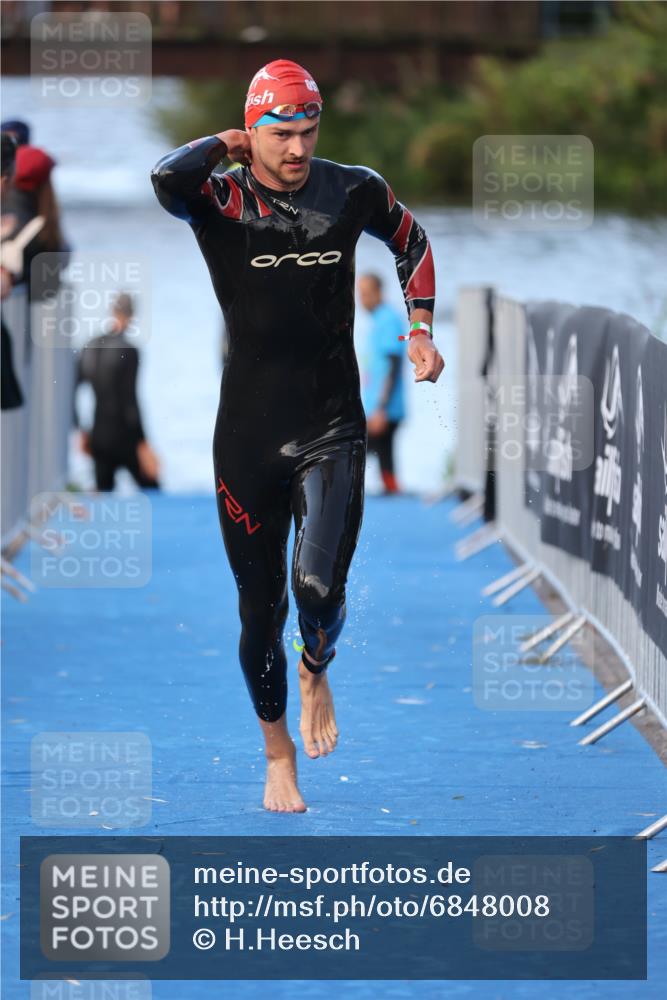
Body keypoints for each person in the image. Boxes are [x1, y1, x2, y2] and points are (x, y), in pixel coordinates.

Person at [151, 59, 444, 813]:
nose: (297, 149)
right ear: (252, 132)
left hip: (331, 426)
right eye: (281, 134)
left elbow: (411, 240)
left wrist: (418, 329)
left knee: (317, 591)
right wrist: (224, 142)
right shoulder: (217, 201)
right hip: (246, 438)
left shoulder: (349, 190)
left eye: (308, 131)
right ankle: (276, 753)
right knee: (260, 610)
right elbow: (165, 179)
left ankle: (318, 663)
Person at [75, 293, 161, 492]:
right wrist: (143, 444)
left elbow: (74, 390)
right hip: (125, 437)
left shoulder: (91, 346)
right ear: (131, 316)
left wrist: (81, 430)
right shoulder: (130, 351)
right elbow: (130, 401)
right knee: (152, 488)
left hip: (98, 435)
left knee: (104, 495)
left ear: (113, 312)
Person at [358, 273, 407, 494]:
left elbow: (394, 365)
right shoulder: (378, 319)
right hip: (375, 407)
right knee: (383, 457)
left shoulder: (388, 320)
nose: (362, 300)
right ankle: (392, 490)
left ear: (379, 292)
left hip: (384, 408)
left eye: (367, 294)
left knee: (359, 453)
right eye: (360, 294)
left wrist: (381, 408)